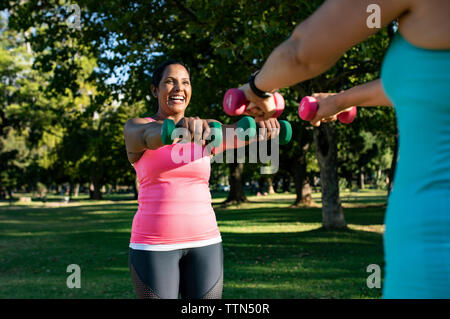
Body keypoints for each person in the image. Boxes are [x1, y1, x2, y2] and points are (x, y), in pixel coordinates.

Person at [236, 0, 450, 298]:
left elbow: (302, 53)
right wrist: (340, 100)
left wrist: (256, 90)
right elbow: (425, 83)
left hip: (435, 250)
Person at [123, 60, 281, 299]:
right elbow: (150, 135)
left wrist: (263, 126)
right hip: (154, 245)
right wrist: (177, 129)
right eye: (170, 81)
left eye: (185, 82)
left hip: (206, 242)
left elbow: (239, 132)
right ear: (154, 90)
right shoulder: (136, 127)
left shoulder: (206, 130)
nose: (178, 88)